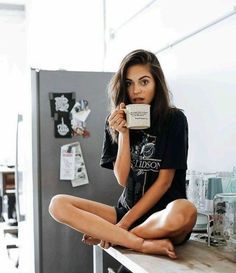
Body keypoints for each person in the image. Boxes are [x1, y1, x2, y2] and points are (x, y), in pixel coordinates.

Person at [49, 49, 197, 259]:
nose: (136, 90)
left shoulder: (174, 119)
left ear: (157, 83)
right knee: (58, 204)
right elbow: (121, 178)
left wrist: (121, 226)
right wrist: (123, 133)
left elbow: (165, 182)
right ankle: (139, 244)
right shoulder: (115, 120)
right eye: (129, 83)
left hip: (162, 217)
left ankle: (121, 237)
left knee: (186, 210)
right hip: (125, 210)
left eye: (144, 82)